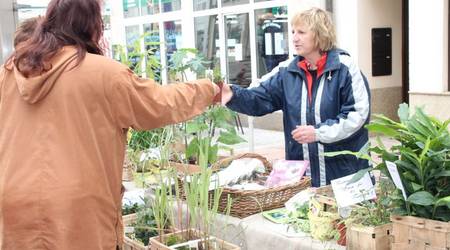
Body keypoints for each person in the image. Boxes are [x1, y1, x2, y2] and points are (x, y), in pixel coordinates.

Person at [0, 0, 219, 249]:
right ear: (92, 26)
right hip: (77, 209)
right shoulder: (105, 74)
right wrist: (208, 89)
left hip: (14, 200)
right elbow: (161, 104)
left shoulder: (10, 72)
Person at [221, 7, 371, 187]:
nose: (294, 37)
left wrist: (317, 133)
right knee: (309, 215)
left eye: (301, 32)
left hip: (345, 176)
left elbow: (356, 116)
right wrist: (232, 94)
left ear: (319, 34)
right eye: (293, 32)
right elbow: (259, 99)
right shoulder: (287, 71)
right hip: (302, 176)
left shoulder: (345, 68)